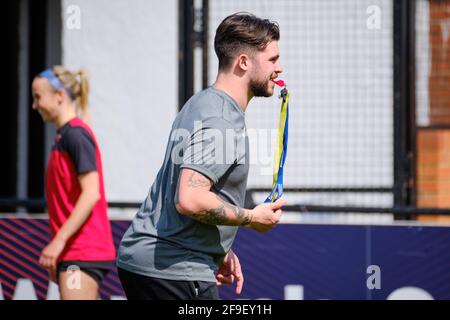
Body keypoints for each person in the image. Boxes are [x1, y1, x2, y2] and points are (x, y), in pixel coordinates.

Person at [116, 12, 286, 300]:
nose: (279, 69)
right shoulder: (222, 119)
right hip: (174, 269)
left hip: (152, 262)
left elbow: (190, 189)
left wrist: (217, 245)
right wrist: (251, 217)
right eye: (272, 59)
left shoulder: (202, 102)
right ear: (243, 61)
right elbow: (190, 198)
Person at [32, 66, 116, 300]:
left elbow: (91, 193)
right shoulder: (64, 136)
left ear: (59, 95)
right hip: (74, 254)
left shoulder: (76, 135)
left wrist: (58, 242)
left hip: (82, 254)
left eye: (38, 97)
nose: (34, 105)